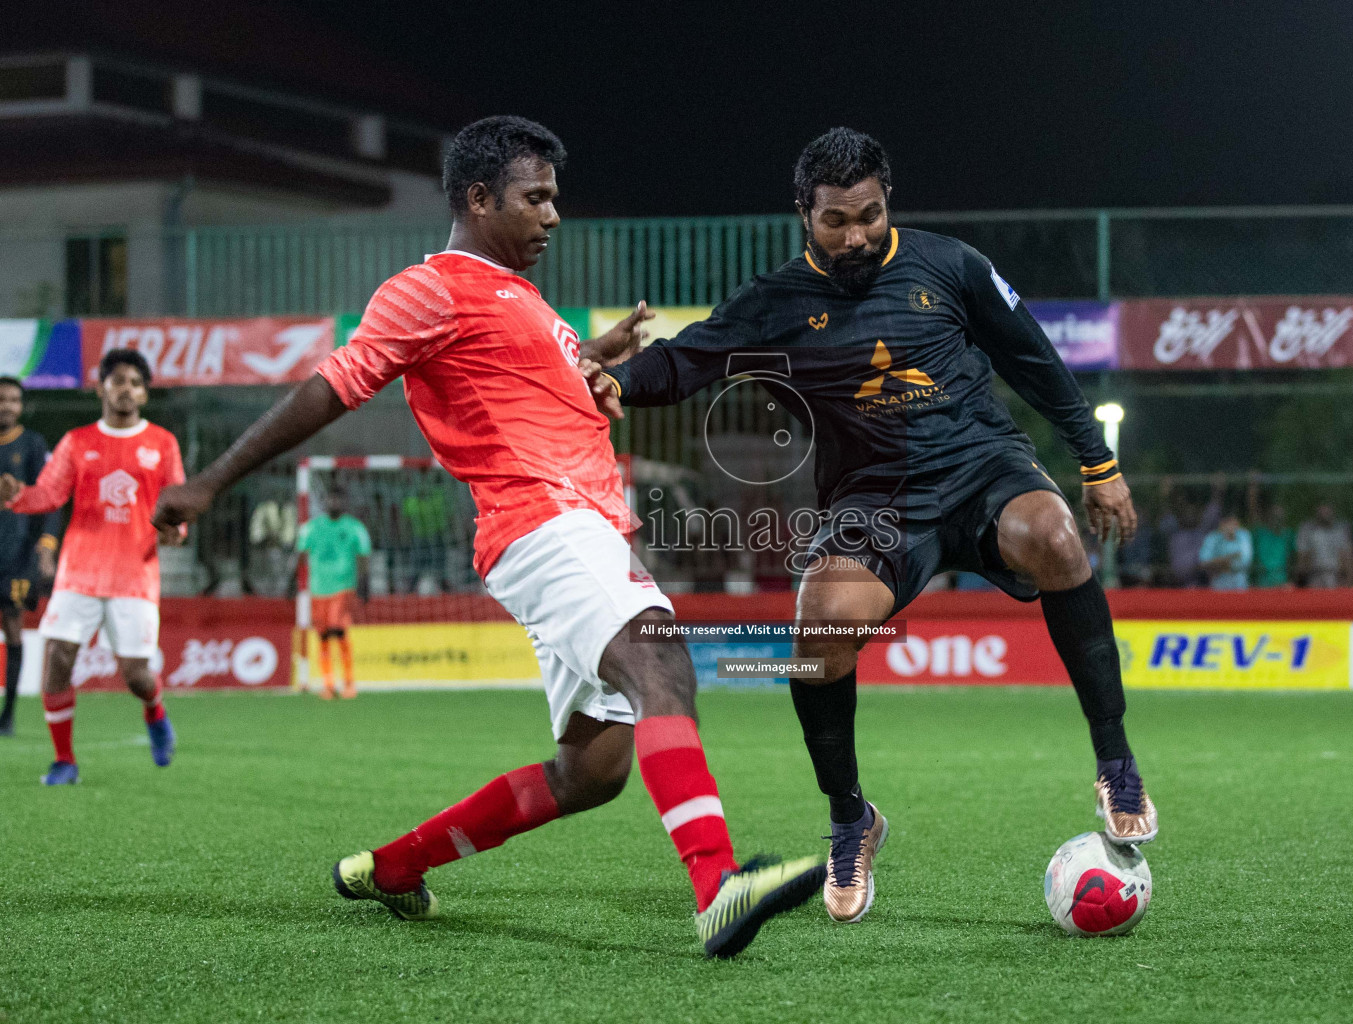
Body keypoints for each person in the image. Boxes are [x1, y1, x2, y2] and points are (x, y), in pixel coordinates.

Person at [152, 116, 823, 959]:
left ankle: (395, 866)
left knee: (592, 773)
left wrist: (596, 361)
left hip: (582, 528)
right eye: (534, 198)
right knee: (660, 656)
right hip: (542, 522)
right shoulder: (429, 288)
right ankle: (716, 887)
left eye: (554, 198)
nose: (552, 216)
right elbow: (333, 386)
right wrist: (212, 481)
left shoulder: (526, 301)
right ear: (477, 198)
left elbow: (536, 385)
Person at [584, 127, 1153, 926]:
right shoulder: (777, 301)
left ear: (890, 203)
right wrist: (616, 381)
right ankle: (852, 817)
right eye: (835, 221)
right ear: (802, 216)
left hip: (982, 471)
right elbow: (688, 361)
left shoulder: (950, 266)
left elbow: (1035, 360)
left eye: (870, 216)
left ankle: (1115, 760)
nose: (856, 236)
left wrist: (1097, 462)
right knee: (820, 622)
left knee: (1056, 536)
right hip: (873, 501)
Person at [0, 350, 184, 784]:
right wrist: (15, 495)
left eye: (136, 383)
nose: (127, 389)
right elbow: (47, 495)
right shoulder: (76, 441)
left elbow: (176, 505)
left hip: (135, 575)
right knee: (57, 662)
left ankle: (155, 713)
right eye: (118, 380)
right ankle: (65, 761)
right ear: (101, 387)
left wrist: (177, 531)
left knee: (137, 676)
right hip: (78, 573)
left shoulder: (162, 443)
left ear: (145, 392)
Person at [0, 377, 61, 736]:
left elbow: (51, 499)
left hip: (16, 553)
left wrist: (47, 547)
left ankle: (7, 716)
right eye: (1, 399)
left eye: (13, 400)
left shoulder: (34, 444)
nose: (7, 406)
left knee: (12, 627)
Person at [296, 490, 371, 699]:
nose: (334, 502)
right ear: (324, 501)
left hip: (343, 587)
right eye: (330, 498)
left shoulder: (354, 527)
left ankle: (349, 682)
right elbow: (301, 554)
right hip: (318, 588)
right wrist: (291, 582)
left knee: (338, 630)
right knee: (322, 634)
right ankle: (328, 683)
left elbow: (363, 557)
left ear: (344, 502)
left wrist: (365, 584)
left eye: (338, 498)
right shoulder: (312, 527)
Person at [1158, 476, 1222, 587]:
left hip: (1203, 586)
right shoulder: (1174, 533)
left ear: (1199, 515)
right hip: (1177, 587)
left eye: (1193, 512)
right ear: (1180, 514)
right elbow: (1165, 513)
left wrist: (1217, 490)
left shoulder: (1203, 532)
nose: (1190, 515)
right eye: (1186, 512)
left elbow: (1213, 511)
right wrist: (1165, 494)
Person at [1246, 477, 1294, 588]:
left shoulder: (1288, 535)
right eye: (1274, 516)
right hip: (1261, 585)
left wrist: (1292, 581)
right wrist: (1253, 487)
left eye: (1279, 516)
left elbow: (1293, 559)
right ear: (1268, 517)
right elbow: (1252, 510)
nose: (1277, 518)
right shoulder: (1260, 533)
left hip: (1282, 584)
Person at [1295, 504, 1353, 588]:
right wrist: (1300, 579)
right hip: (1314, 575)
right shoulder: (1308, 531)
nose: (1324, 512)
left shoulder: (1340, 531)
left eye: (1327, 509)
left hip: (1335, 576)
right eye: (1322, 509)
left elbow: (1347, 557)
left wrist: (1348, 580)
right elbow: (1303, 557)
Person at [1199, 513, 1252, 591]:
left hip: (1240, 586)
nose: (1231, 526)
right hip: (1218, 586)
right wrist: (1230, 557)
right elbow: (1203, 563)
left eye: (1234, 523)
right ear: (1221, 524)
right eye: (1228, 523)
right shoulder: (1212, 538)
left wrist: (1215, 564)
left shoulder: (1244, 535)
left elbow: (1245, 562)